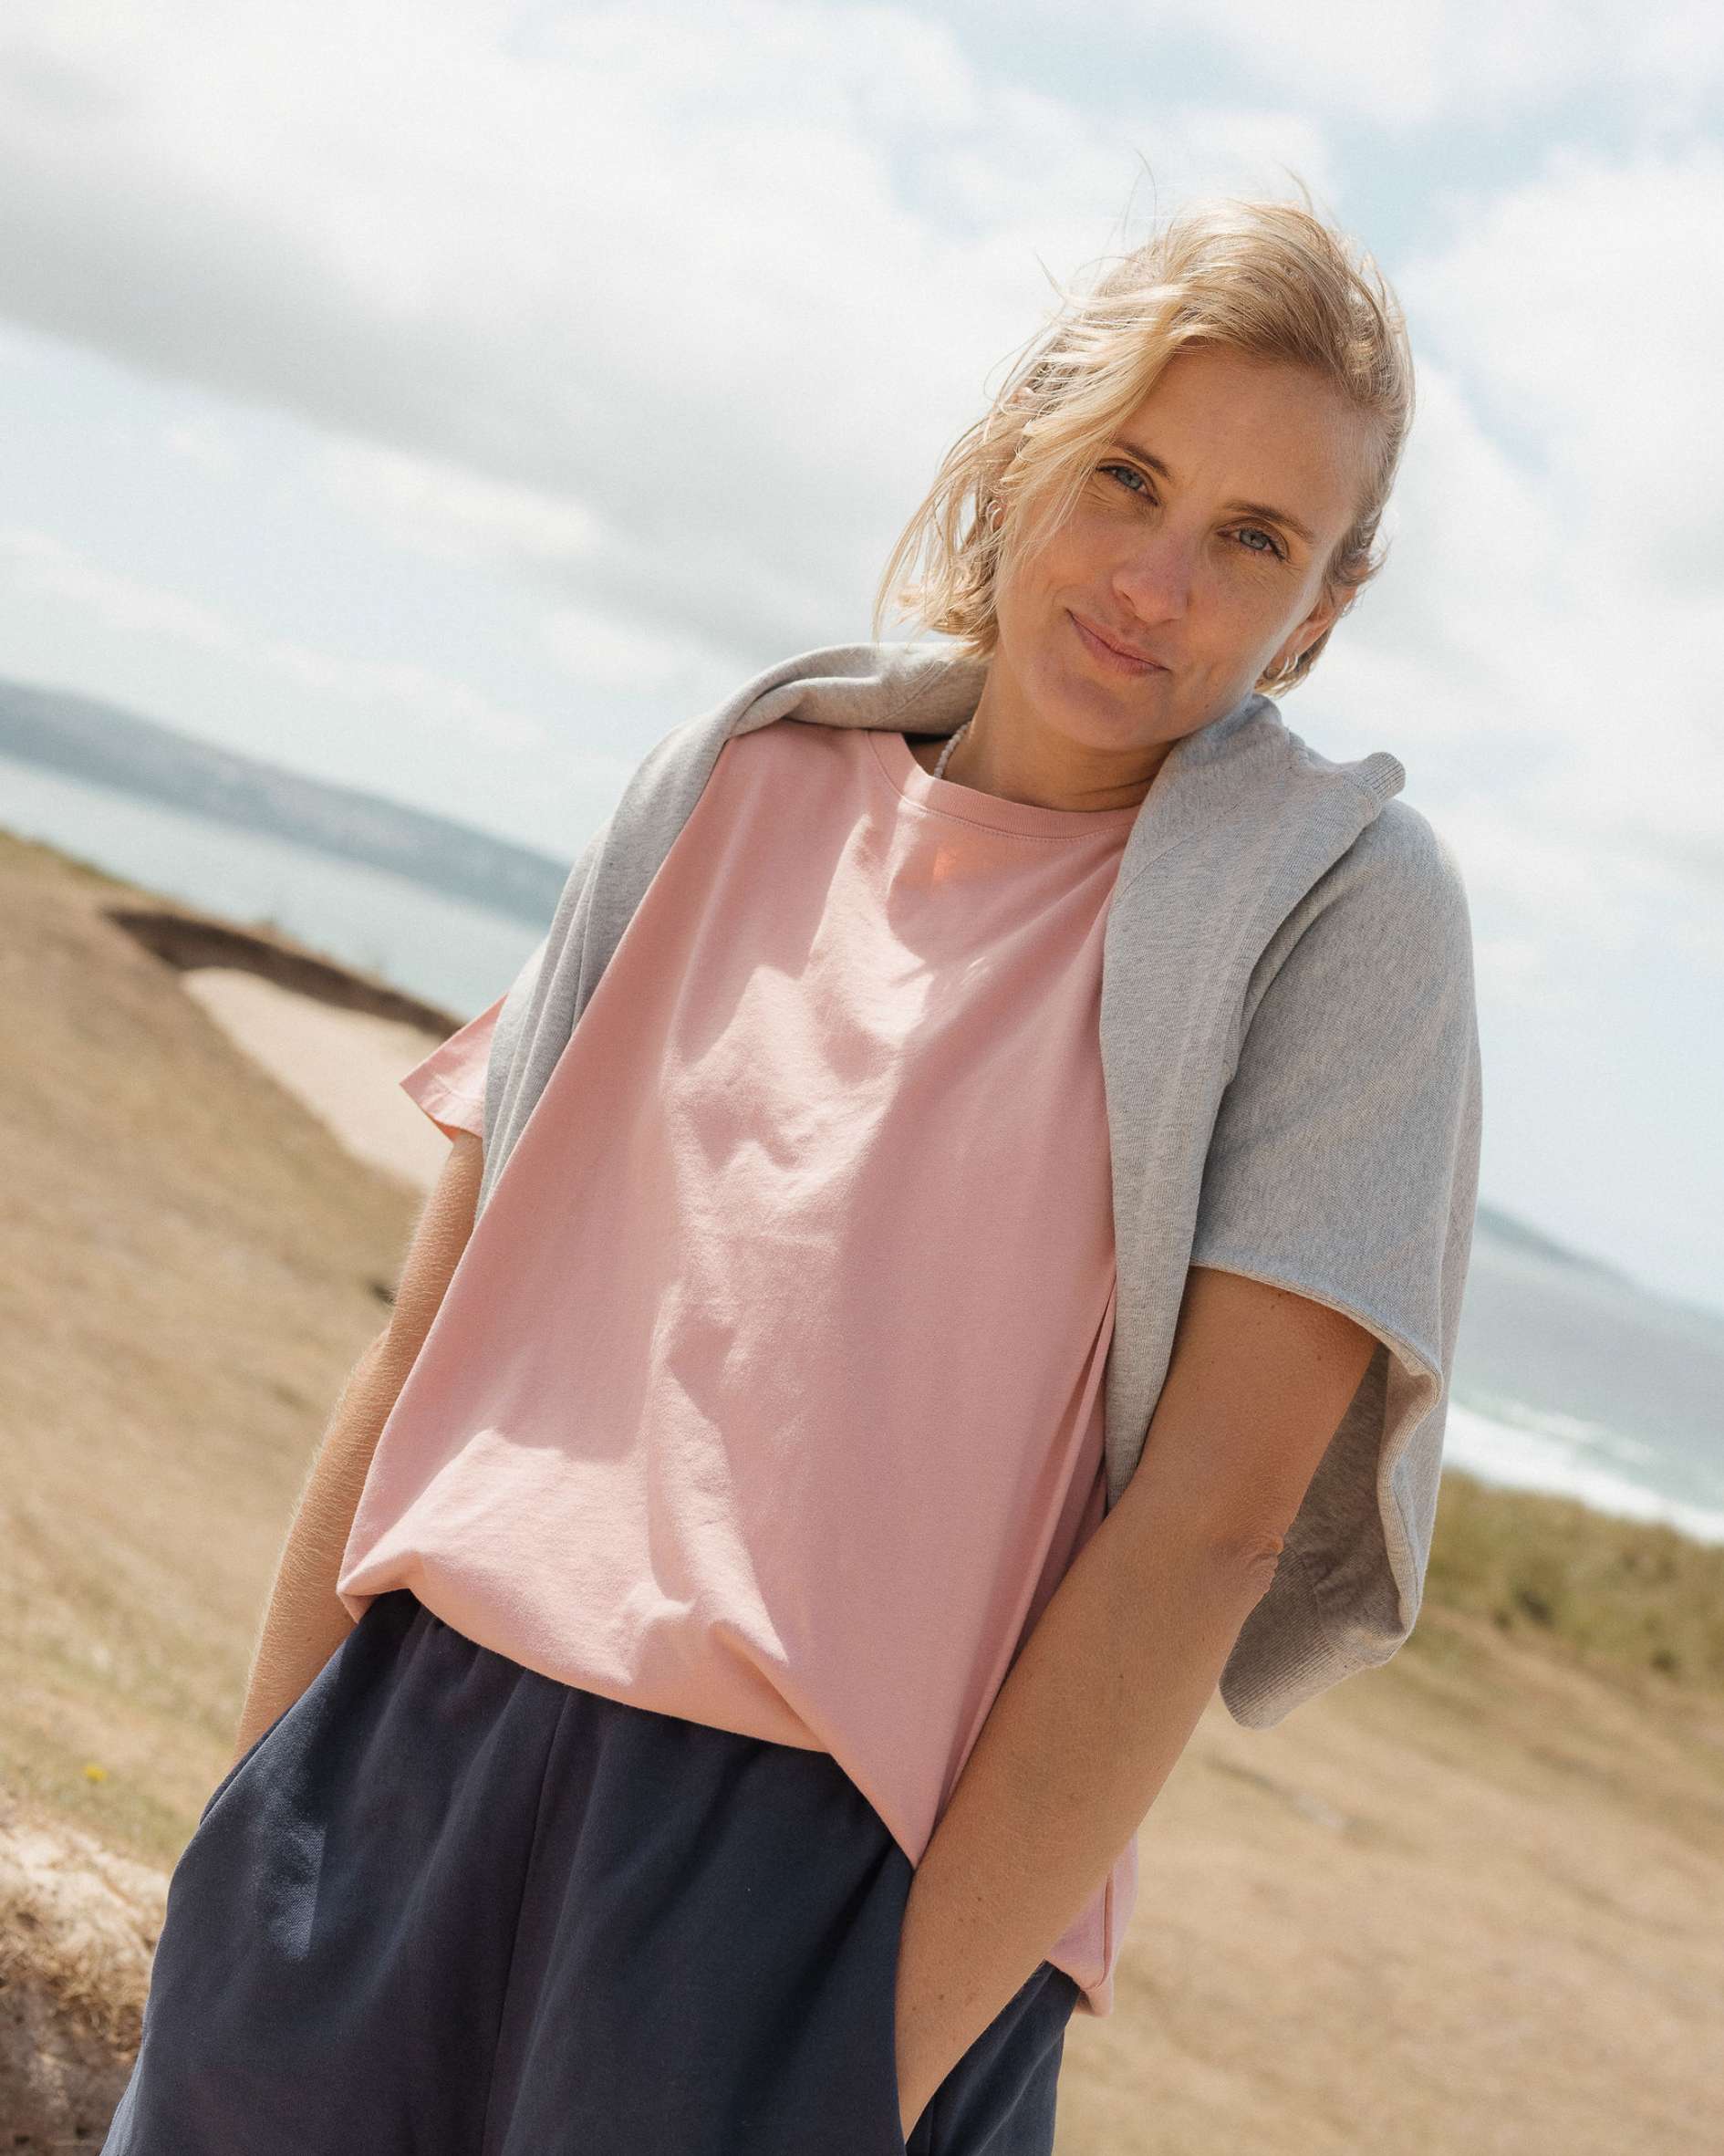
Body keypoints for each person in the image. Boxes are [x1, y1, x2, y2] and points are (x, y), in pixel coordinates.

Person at [102, 187, 1480, 2155]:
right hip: (402, 1760)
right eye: (1127, 477)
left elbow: (1214, 1530)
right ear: (1024, 457)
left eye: (1252, 539)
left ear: (1323, 609)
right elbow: (432, 1331)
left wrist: (874, 2057)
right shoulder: (733, 777)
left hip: (818, 1890)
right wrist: (261, 1830)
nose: (1156, 580)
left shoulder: (1341, 919)